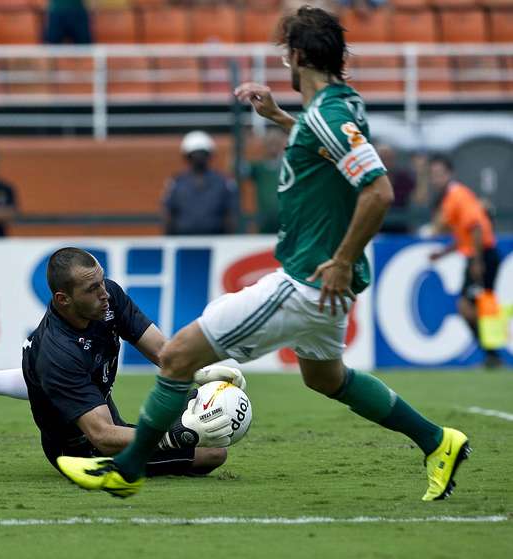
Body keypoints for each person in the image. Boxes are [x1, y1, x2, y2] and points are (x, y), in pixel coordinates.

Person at [57, 6, 470, 502]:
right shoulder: (340, 106)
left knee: (178, 356)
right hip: (325, 285)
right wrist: (279, 117)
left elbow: (378, 191)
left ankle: (126, 470)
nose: (285, 64)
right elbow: (329, 148)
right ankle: (437, 441)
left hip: (307, 281)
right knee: (326, 377)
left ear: (299, 56)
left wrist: (341, 259)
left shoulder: (329, 115)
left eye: (286, 56)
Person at [0, 247, 244, 478]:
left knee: (193, 409)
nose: (104, 293)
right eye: (92, 289)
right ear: (63, 299)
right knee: (212, 452)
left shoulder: (107, 299)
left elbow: (162, 350)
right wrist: (175, 435)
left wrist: (201, 371)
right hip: (80, 449)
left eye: (102, 282)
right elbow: (102, 436)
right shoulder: (57, 352)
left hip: (98, 411)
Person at [427, 154, 502, 369]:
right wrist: (444, 253)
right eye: (433, 174)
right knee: (477, 306)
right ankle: (492, 354)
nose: (436, 179)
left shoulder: (457, 196)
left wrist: (477, 261)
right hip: (479, 254)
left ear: (450, 174)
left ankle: (492, 353)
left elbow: (476, 227)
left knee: (468, 307)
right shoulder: (451, 198)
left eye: (440, 174)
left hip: (483, 255)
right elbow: (465, 236)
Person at [163, 131, 240, 236]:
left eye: (202, 153)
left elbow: (231, 215)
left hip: (216, 239)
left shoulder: (224, 182)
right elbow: (169, 214)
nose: (198, 157)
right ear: (187, 156)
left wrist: (229, 240)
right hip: (183, 239)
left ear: (209, 155)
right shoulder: (176, 183)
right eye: (194, 154)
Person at [247, 126, 288, 234]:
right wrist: (245, 142)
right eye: (270, 143)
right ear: (265, 145)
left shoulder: (287, 167)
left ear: (280, 145)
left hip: (284, 218)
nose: (273, 147)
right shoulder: (259, 167)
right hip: (264, 219)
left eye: (275, 143)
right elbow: (236, 168)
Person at [377, 143, 416, 234]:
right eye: (383, 158)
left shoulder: (403, 178)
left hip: (402, 226)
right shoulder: (371, 179)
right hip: (377, 226)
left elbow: (418, 199)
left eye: (389, 158)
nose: (386, 162)